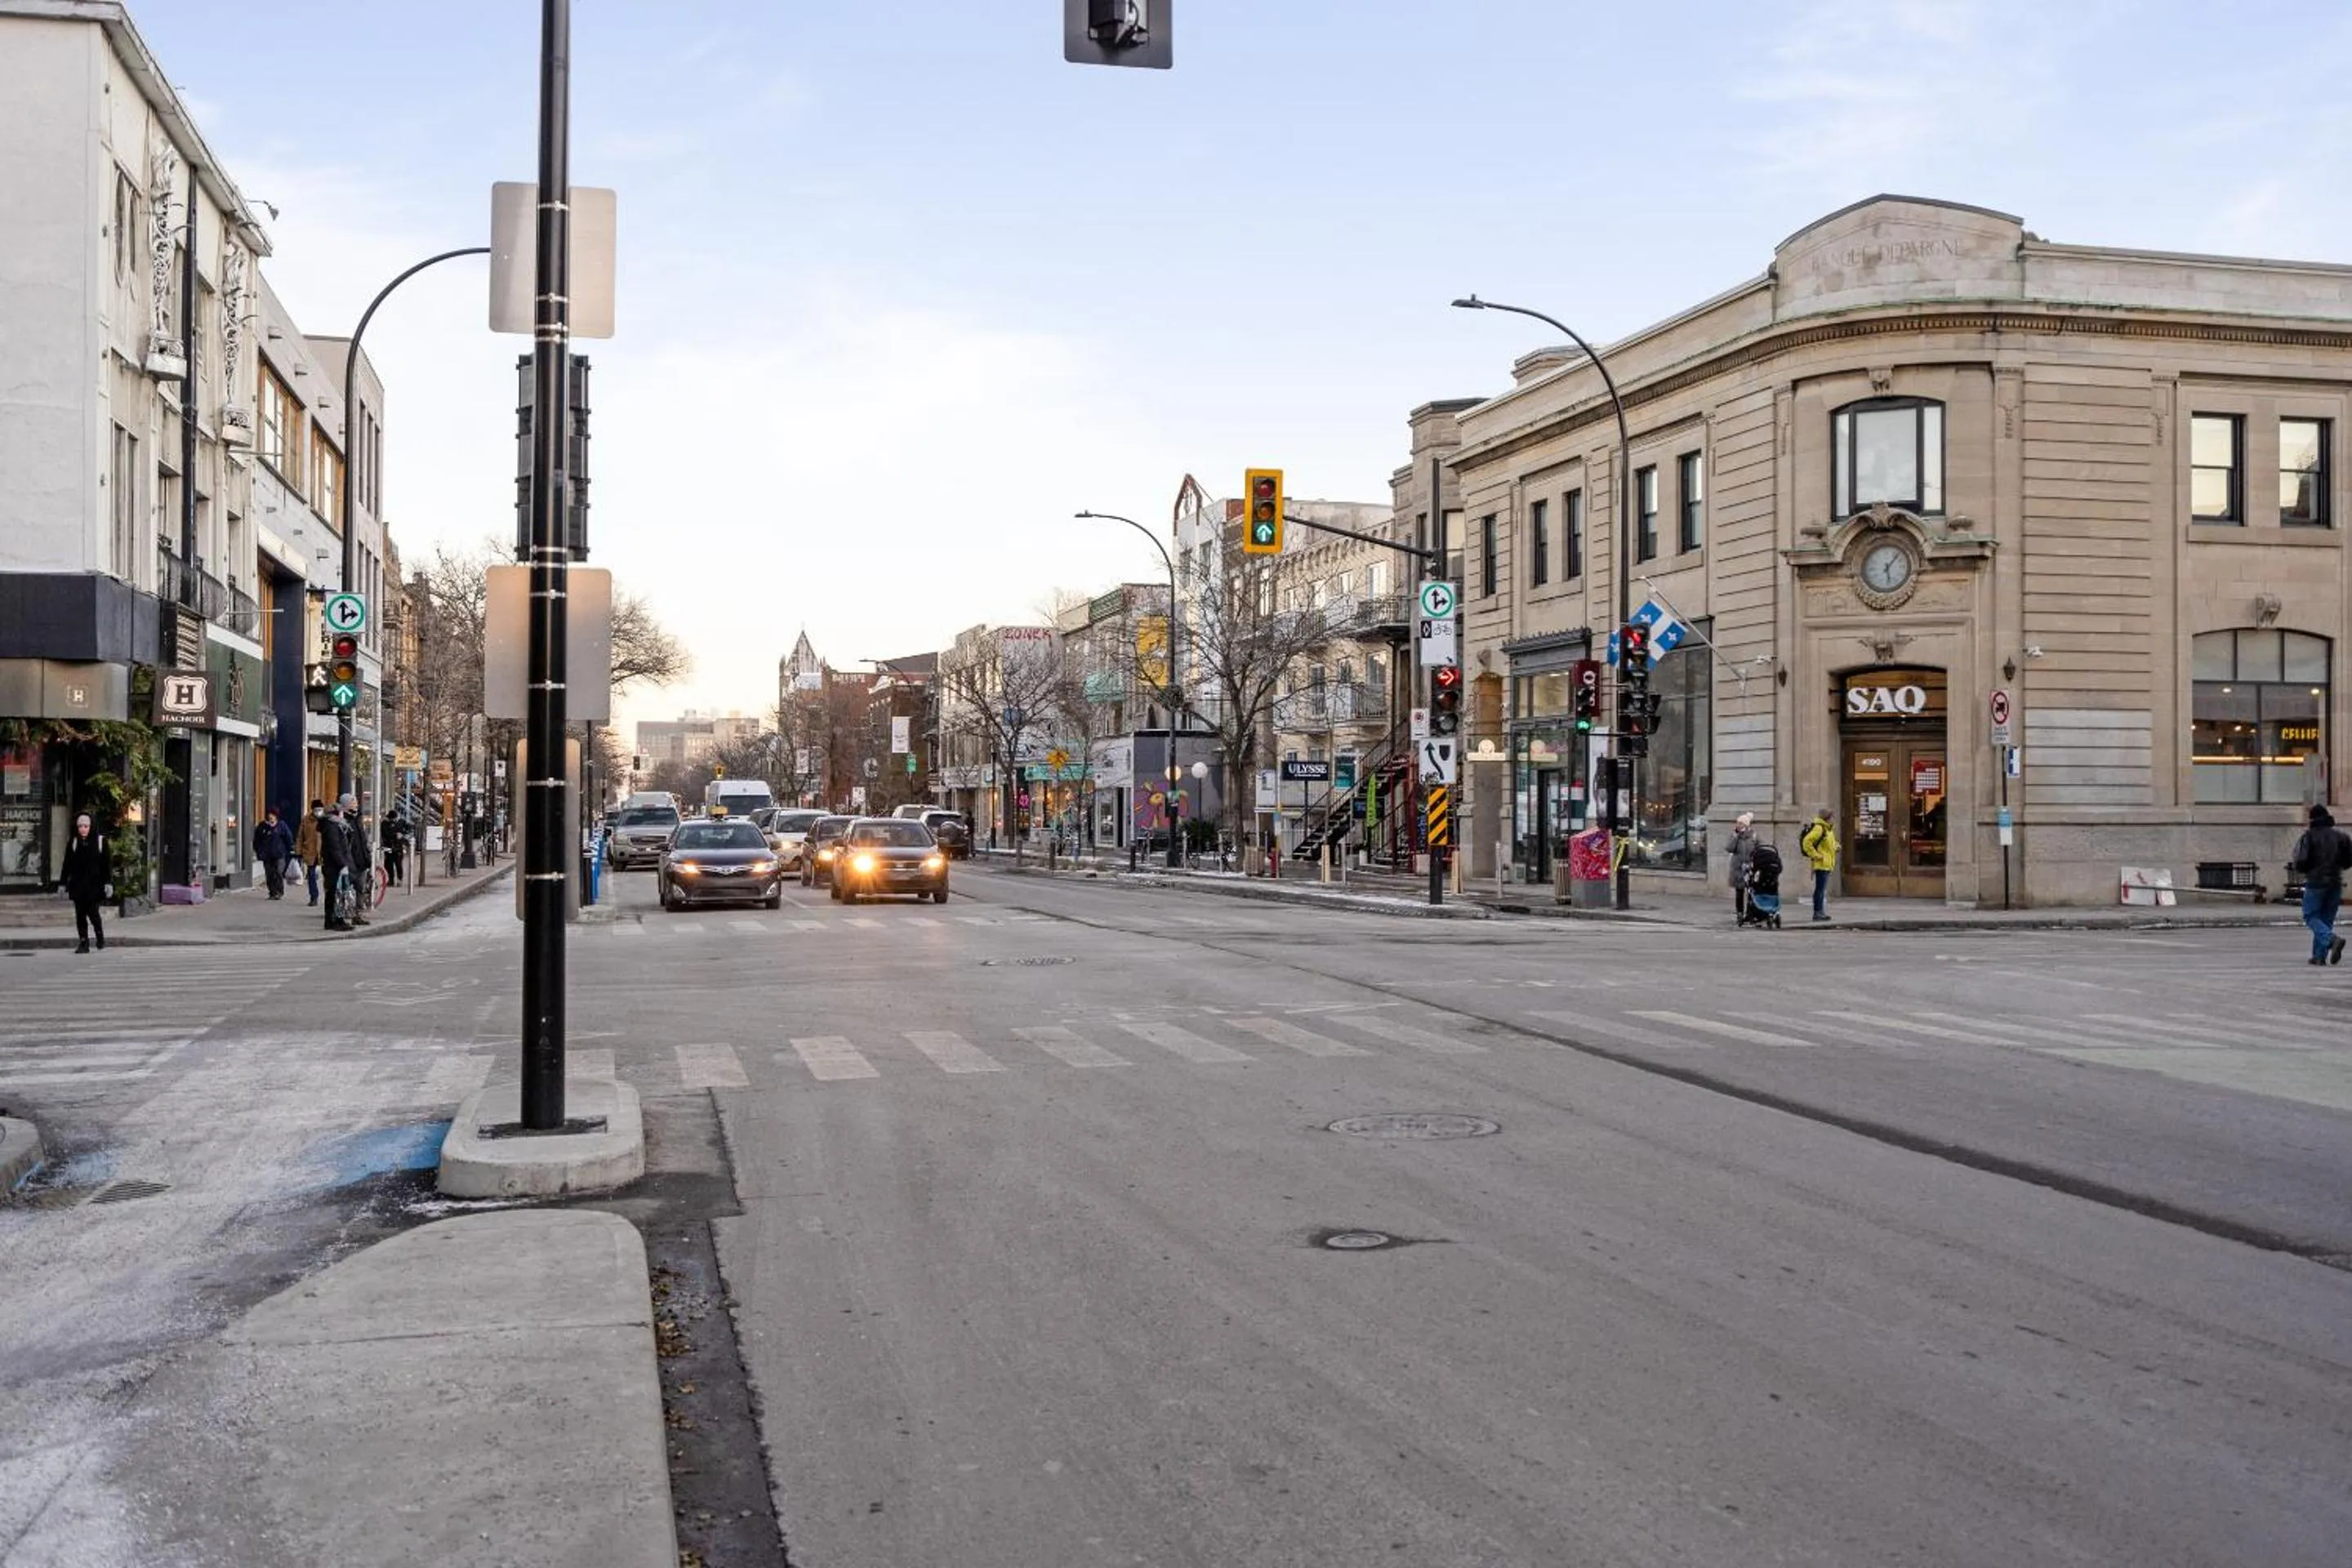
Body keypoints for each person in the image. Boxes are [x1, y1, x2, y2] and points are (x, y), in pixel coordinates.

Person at [2287, 804, 2350, 967]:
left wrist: (2307, 869)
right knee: (2326, 919)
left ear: (2312, 819)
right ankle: (2319, 956)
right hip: (2335, 882)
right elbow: (2349, 860)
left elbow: (2300, 861)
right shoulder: (2341, 837)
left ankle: (2331, 940)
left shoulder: (2309, 837)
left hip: (2316, 882)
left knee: (2310, 916)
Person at [60, 812, 109, 954]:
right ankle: (84, 942)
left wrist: (108, 883)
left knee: (93, 913)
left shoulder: (100, 841)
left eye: (86, 826)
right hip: (78, 885)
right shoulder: (74, 842)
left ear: (91, 826)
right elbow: (67, 864)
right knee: (80, 915)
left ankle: (100, 936)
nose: (83, 829)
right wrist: (62, 883)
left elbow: (106, 865)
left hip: (95, 885)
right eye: (80, 826)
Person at [318, 797, 355, 932]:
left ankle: (338, 920)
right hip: (334, 866)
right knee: (334, 894)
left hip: (335, 865)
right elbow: (335, 848)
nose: (343, 815)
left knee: (339, 894)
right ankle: (333, 921)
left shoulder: (336, 825)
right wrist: (342, 865)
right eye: (341, 812)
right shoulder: (332, 827)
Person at [1799, 807, 1840, 923]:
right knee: (1820, 890)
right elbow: (1807, 842)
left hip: (1827, 863)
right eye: (1831, 817)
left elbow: (1828, 844)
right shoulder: (1819, 828)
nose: (1833, 819)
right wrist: (1816, 856)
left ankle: (1820, 912)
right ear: (1827, 818)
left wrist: (1837, 846)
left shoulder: (1828, 829)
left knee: (1822, 889)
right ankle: (1817, 912)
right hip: (1822, 864)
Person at [339, 795, 373, 926]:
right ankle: (345, 913)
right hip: (350, 861)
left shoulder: (358, 819)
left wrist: (367, 856)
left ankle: (358, 914)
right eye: (353, 802)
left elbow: (362, 840)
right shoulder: (344, 821)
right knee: (347, 889)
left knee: (360, 889)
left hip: (361, 861)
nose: (356, 804)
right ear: (346, 804)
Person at [1726, 812, 1757, 924]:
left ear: (1746, 825)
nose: (1738, 825)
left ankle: (1750, 914)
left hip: (1750, 867)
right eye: (1738, 823)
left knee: (1751, 892)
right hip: (1738, 867)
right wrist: (1736, 837)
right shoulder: (1735, 835)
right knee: (1739, 892)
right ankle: (1739, 913)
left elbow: (1760, 847)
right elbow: (1729, 848)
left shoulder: (1753, 835)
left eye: (1741, 823)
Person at [254, 807, 290, 900]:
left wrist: (290, 849)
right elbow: (257, 840)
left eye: (273, 815)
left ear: (276, 816)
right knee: (269, 874)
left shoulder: (281, 825)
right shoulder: (262, 826)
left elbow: (288, 838)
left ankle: (279, 892)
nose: (271, 817)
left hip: (279, 854)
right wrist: (258, 851)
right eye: (269, 815)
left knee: (278, 872)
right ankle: (272, 892)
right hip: (267, 855)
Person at [296, 800, 326, 906]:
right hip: (310, 851)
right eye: (316, 809)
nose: (318, 811)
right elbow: (300, 837)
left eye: (320, 809)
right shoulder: (306, 820)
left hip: (324, 851)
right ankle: (314, 896)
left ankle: (329, 897)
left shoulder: (326, 819)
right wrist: (298, 851)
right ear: (312, 810)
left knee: (328, 876)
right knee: (311, 875)